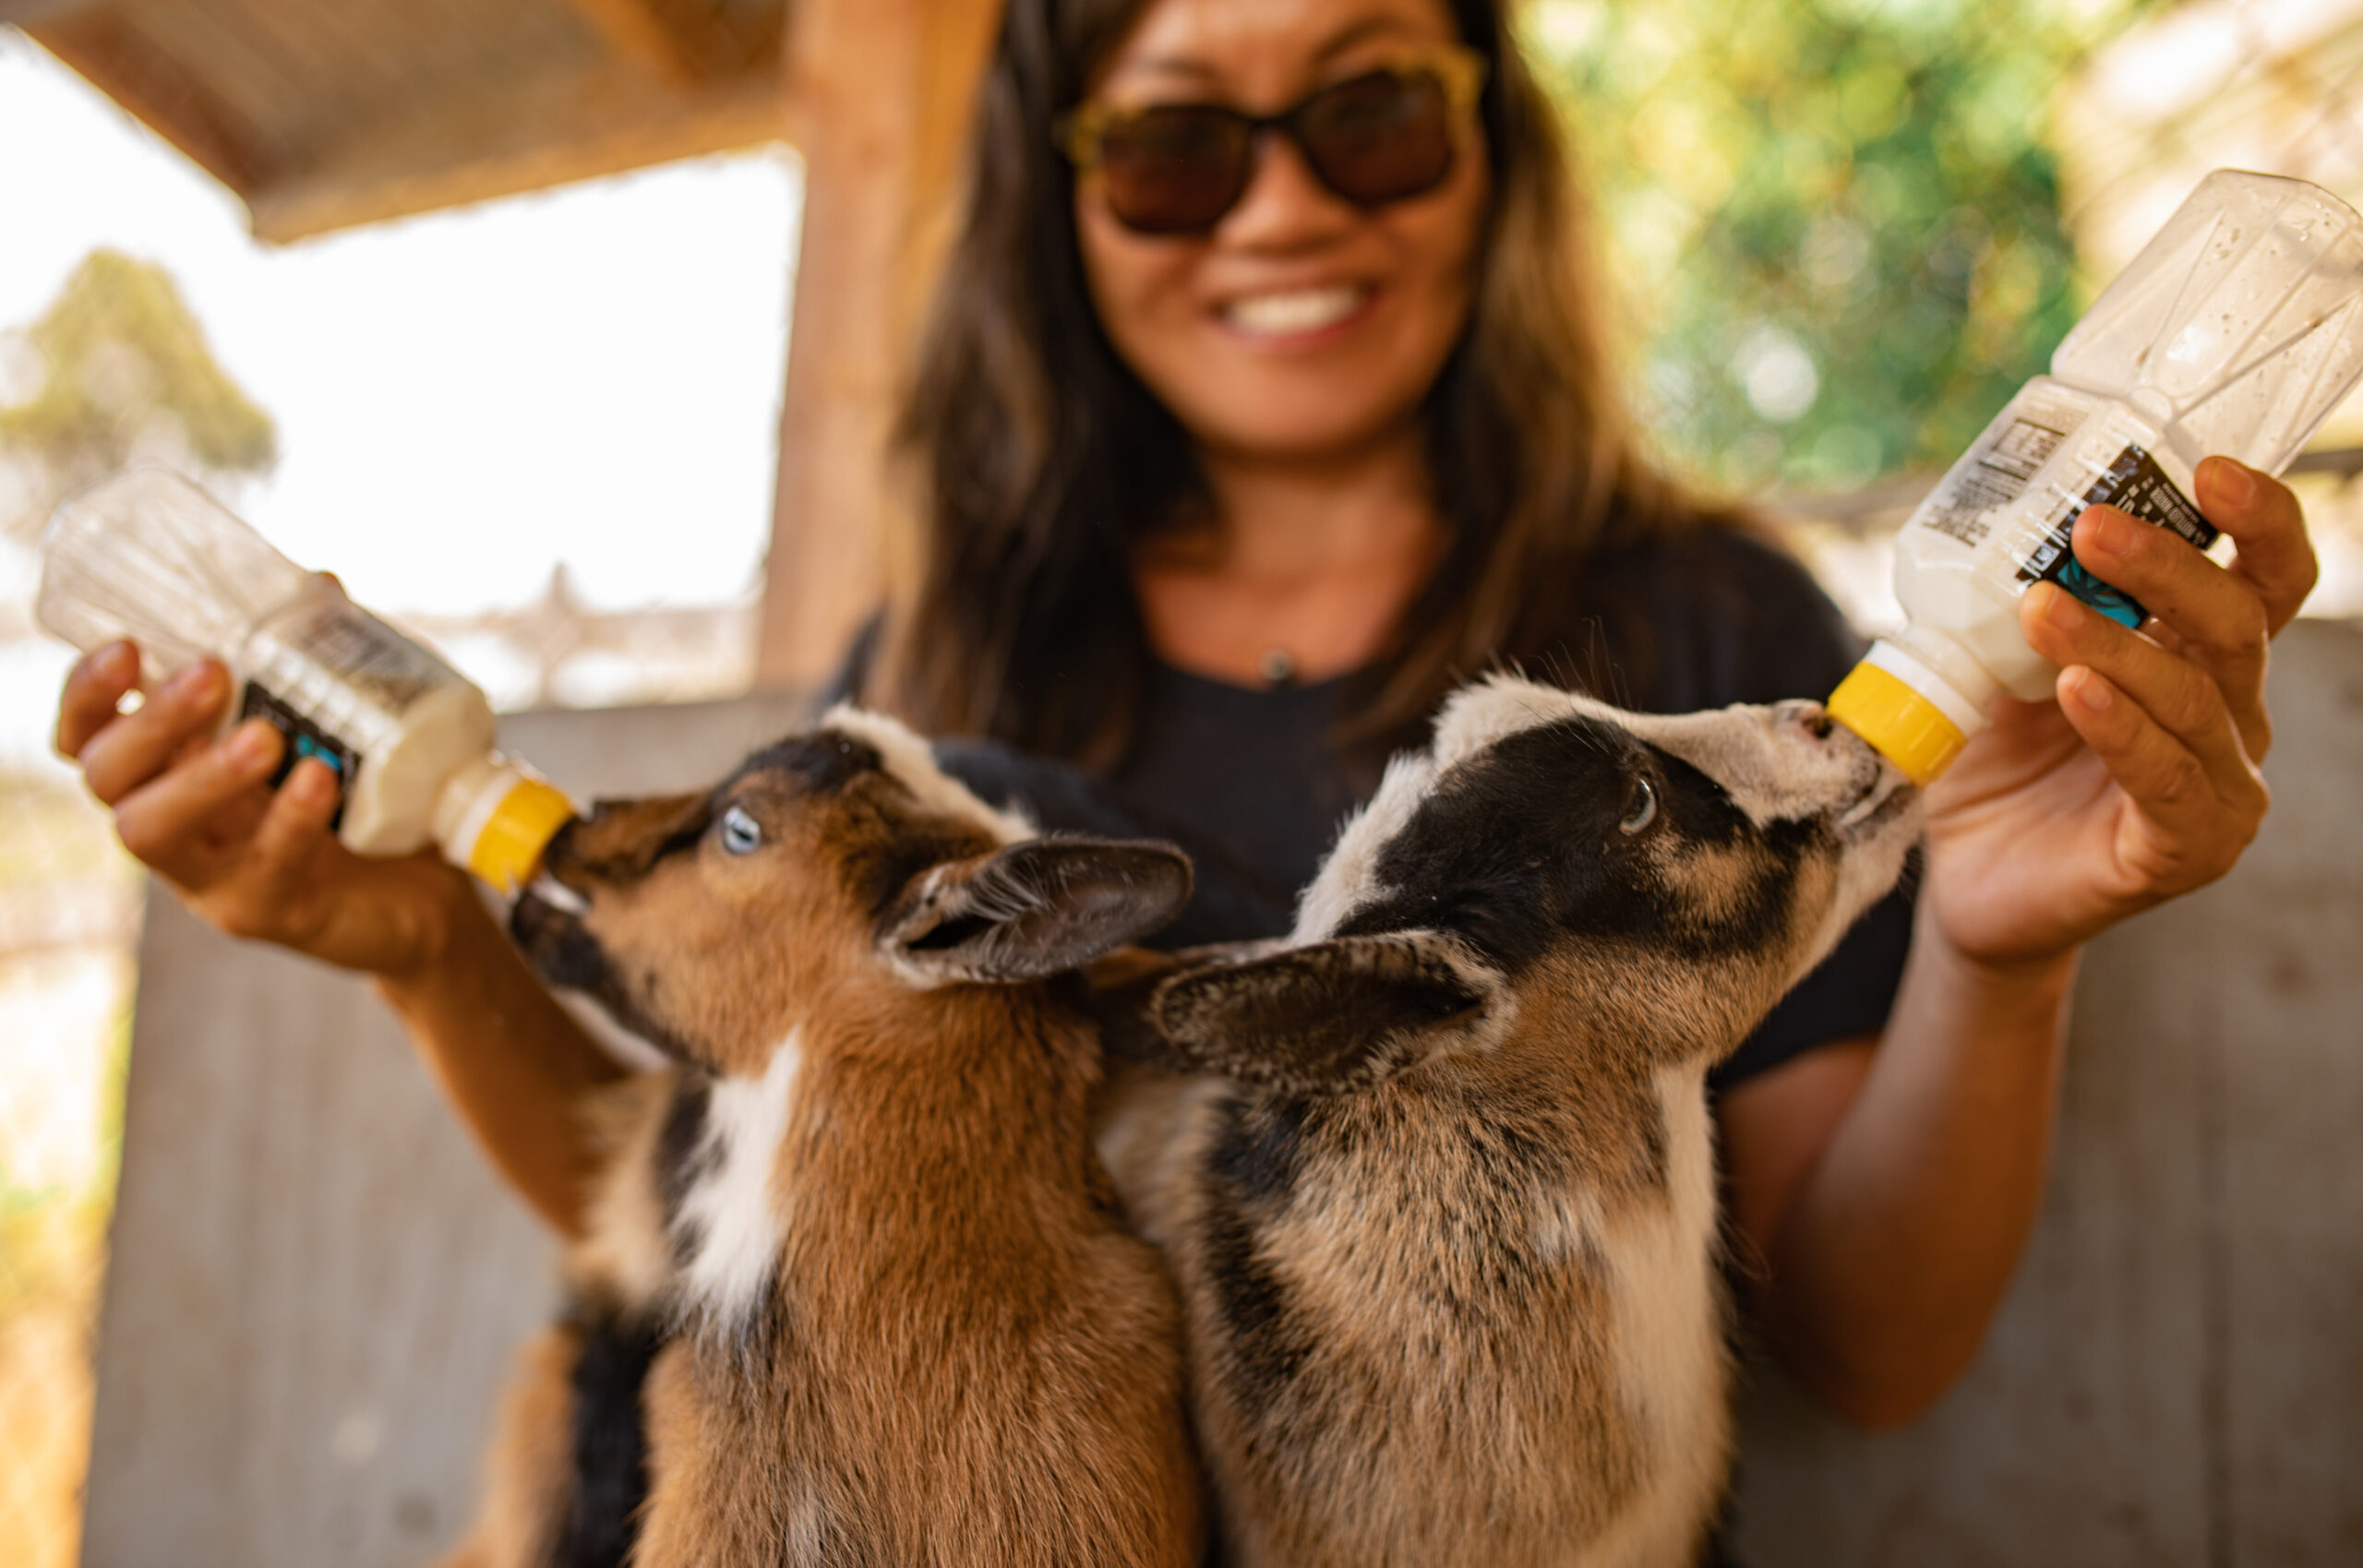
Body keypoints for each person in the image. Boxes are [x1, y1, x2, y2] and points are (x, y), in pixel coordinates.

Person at [54, 0, 2313, 1442]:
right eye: (1172, 150)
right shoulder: (944, 687)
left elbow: (1859, 1342)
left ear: (1490, 157)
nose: (1284, 212)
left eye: (1367, 117)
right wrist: (429, 942)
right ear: (1065, 214)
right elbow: (731, 1216)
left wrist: (2003, 953)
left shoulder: (1698, 624)